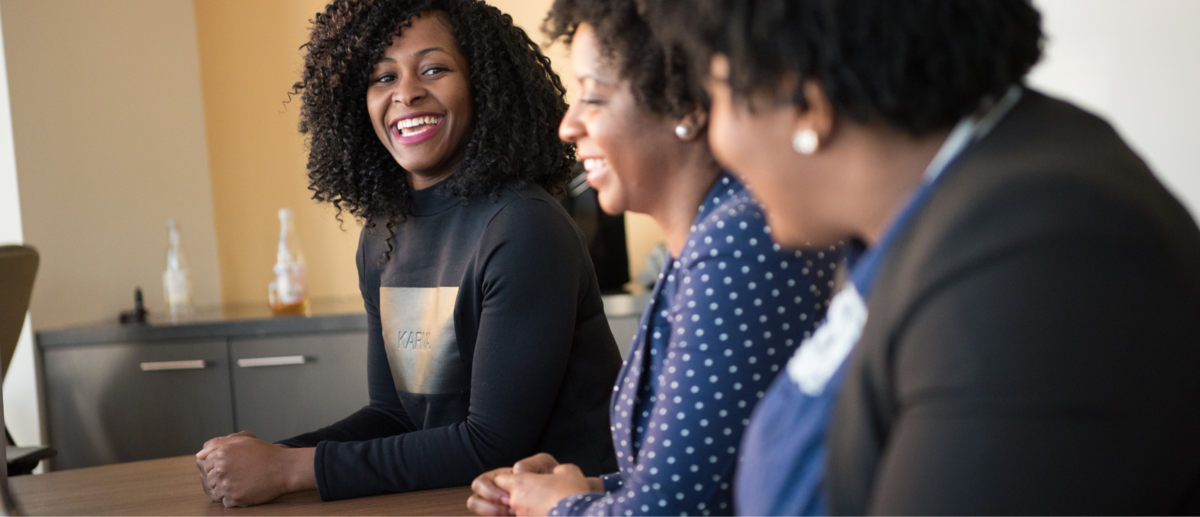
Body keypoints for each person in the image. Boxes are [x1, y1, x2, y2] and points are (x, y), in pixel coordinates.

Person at [643, 0, 1200, 515]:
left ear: (806, 104)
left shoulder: (1033, 254)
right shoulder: (945, 209)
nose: (715, 139)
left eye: (715, 99)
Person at [195, 0, 623, 507]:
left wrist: (289, 469)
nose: (407, 92)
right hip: (459, 499)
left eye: (434, 69)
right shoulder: (383, 234)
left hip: (570, 506)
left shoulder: (523, 227)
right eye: (383, 77)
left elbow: (490, 442)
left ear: (483, 85)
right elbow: (394, 416)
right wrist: (267, 456)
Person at [465, 0, 837, 515]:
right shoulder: (706, 240)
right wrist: (594, 489)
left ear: (685, 104)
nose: (567, 125)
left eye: (593, 98)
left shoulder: (737, 243)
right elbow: (708, 476)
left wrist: (562, 507)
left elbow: (672, 511)